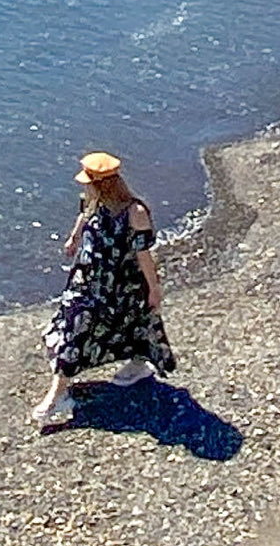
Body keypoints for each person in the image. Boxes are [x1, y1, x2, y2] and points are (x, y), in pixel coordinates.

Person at [32, 152, 176, 429]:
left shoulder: (135, 213)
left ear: (102, 184)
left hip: (122, 284)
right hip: (87, 282)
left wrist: (154, 289)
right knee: (73, 328)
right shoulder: (91, 200)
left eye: (89, 182)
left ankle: (137, 364)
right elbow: (84, 217)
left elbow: (144, 255)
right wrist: (74, 239)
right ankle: (58, 393)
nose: (85, 187)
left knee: (136, 323)